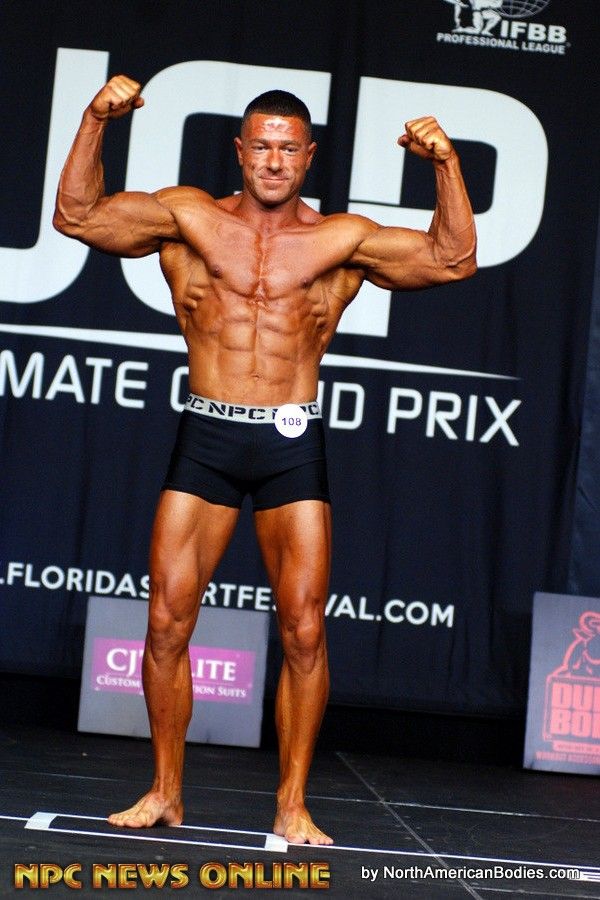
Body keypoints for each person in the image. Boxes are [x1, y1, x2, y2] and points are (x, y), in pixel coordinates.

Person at [53, 74, 476, 845]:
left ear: (308, 157)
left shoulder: (342, 239)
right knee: (166, 621)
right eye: (261, 147)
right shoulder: (188, 218)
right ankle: (166, 792)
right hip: (208, 437)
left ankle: (292, 804)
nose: (274, 161)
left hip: (290, 442)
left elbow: (453, 261)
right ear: (239, 151)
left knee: (305, 630)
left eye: (288, 149)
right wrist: (94, 120)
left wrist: (445, 163)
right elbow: (76, 216)